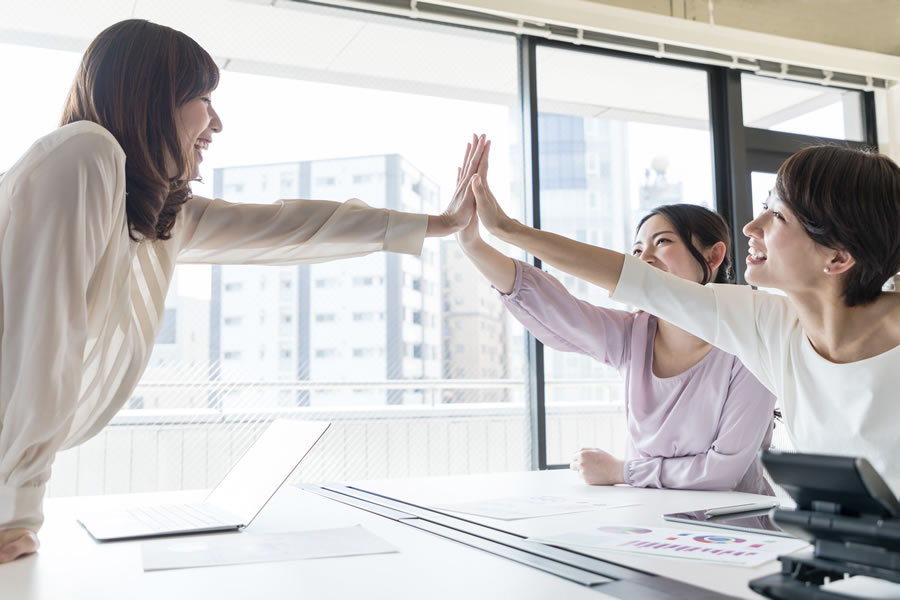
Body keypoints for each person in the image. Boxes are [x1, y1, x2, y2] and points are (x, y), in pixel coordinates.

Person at [0, 19, 487, 563]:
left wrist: (438, 224)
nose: (217, 123)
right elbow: (42, 346)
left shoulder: (157, 211)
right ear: (152, 99)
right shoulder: (84, 154)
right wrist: (14, 515)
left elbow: (290, 227)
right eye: (205, 99)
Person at [468, 143, 900, 497]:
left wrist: (624, 470)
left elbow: (724, 471)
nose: (751, 226)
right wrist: (506, 230)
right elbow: (635, 282)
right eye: (766, 207)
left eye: (779, 216)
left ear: (838, 257)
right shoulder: (765, 324)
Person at [456, 166, 775, 493]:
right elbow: (553, 308)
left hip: (734, 529)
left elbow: (722, 472)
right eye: (636, 250)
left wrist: (622, 471)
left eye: (661, 242)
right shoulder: (633, 334)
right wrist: (472, 243)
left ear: (714, 256)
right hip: (650, 523)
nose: (644, 258)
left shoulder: (749, 342)